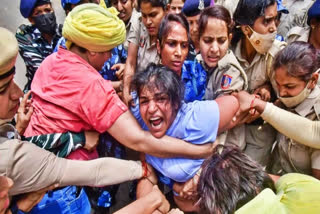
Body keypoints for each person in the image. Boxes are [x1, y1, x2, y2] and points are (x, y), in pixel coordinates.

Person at [0, 27, 169, 214]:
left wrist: (18, 130)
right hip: (62, 195)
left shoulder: (54, 62)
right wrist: (148, 194)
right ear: (92, 50)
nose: (17, 94)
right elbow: (95, 170)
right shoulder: (9, 155)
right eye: (3, 89)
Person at [130, 64, 239, 212]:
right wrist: (174, 185)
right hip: (186, 207)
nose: (151, 108)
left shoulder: (196, 119)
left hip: (225, 201)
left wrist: (202, 172)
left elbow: (238, 102)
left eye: (161, 99)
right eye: (144, 101)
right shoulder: (139, 120)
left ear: (175, 103)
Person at [231, 0, 286, 166]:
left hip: (260, 136)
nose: (273, 28)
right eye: (266, 21)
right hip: (231, 131)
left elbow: (287, 102)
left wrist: (266, 103)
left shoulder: (278, 55)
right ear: (247, 29)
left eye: (275, 20)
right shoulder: (229, 49)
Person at [122, 0, 166, 105]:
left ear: (166, 10)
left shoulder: (171, 34)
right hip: (136, 90)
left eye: (153, 15)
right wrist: (125, 89)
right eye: (144, 16)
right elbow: (131, 61)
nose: (148, 22)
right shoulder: (138, 22)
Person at [16, 0, 62, 92]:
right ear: (31, 19)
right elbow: (41, 70)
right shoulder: (25, 36)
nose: (45, 15)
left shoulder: (64, 32)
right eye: (38, 13)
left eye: (48, 10)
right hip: (37, 94)